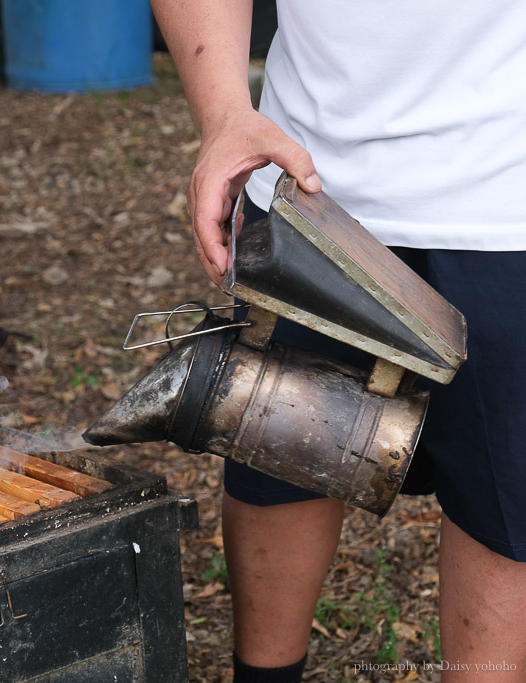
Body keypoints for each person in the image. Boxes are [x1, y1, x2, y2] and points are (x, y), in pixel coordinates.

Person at [151, 1, 526, 680]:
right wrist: (223, 116)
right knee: (276, 453)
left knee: (506, 499)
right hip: (306, 177)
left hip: (508, 196)